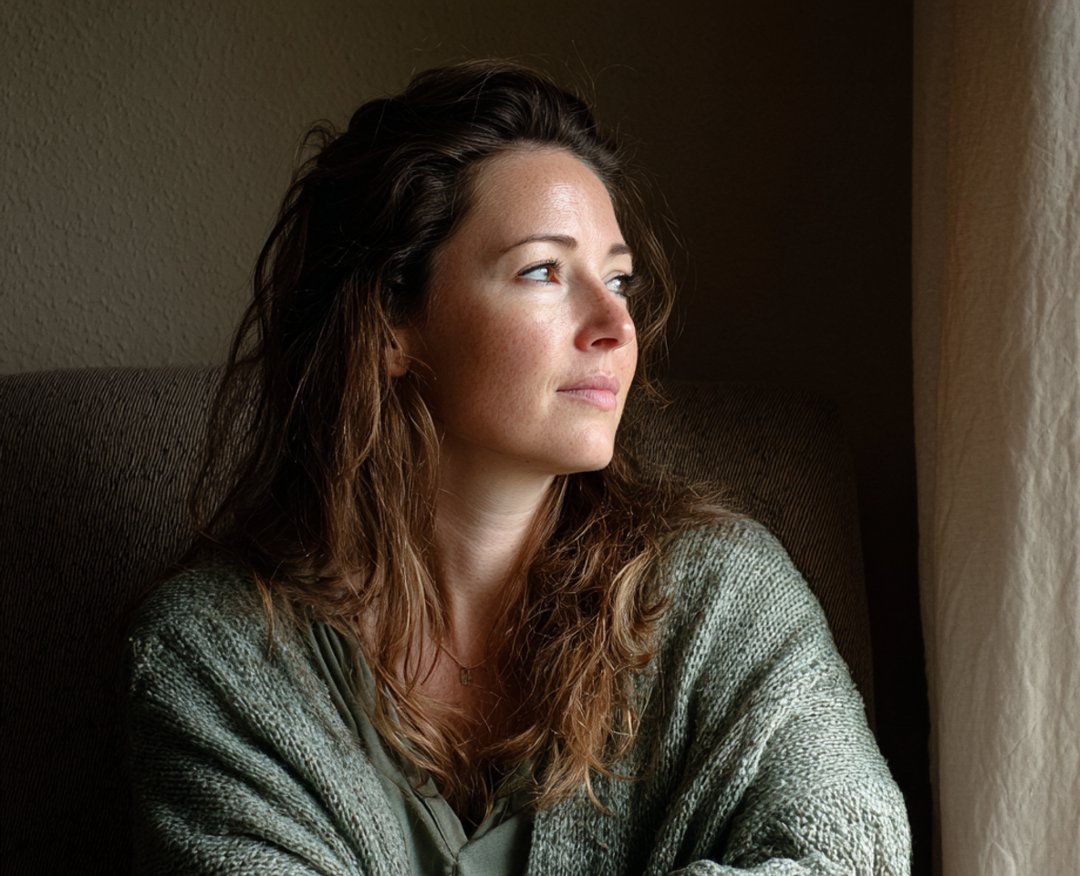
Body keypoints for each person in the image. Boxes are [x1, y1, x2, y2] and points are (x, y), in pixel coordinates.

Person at [125, 60, 911, 874]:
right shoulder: (214, 659)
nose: (614, 324)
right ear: (392, 321)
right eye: (543, 270)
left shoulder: (722, 595)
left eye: (618, 279)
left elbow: (853, 849)